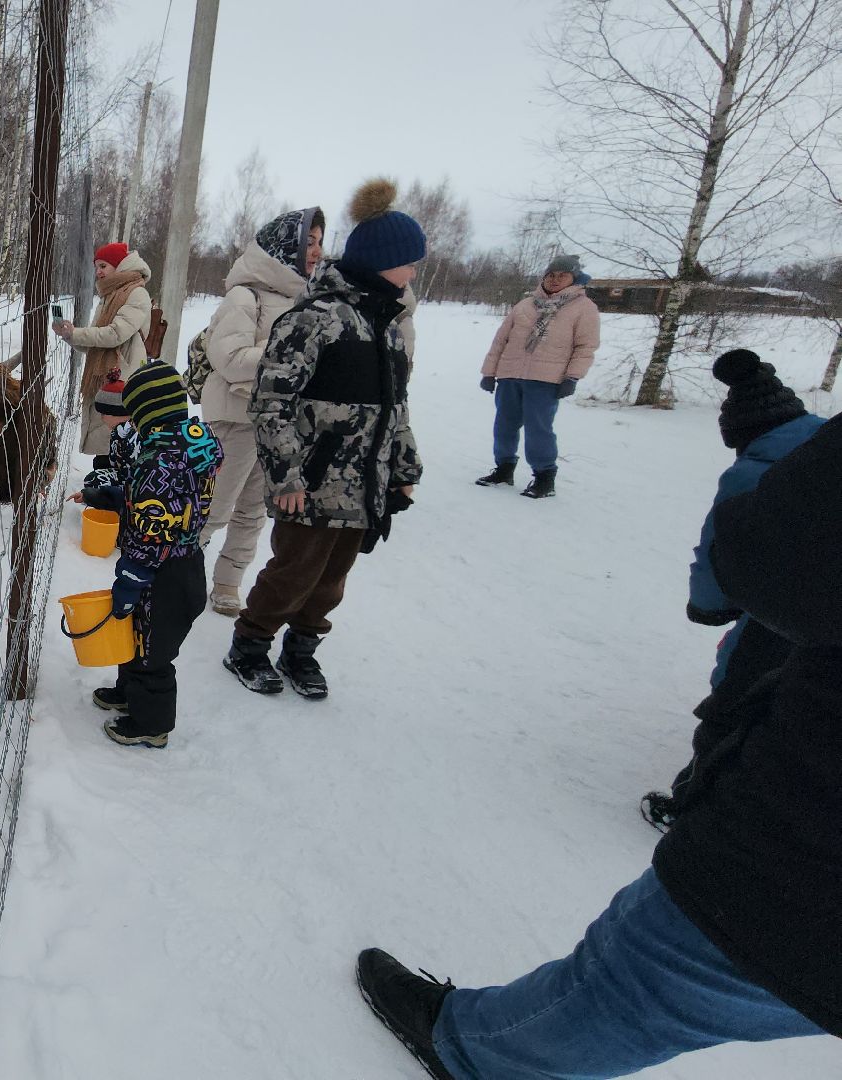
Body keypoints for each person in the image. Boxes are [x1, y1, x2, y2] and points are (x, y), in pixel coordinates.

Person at [357, 412, 842, 1080]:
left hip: (801, 868)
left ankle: (470, 1045)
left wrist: (785, 449)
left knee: (642, 982)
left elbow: (765, 558)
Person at [223, 179, 423, 700]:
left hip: (363, 485)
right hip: (311, 482)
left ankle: (301, 650)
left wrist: (403, 471)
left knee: (332, 580)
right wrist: (286, 473)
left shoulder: (387, 327)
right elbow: (270, 401)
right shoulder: (316, 319)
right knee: (293, 571)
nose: (414, 273)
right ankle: (249, 644)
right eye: (409, 262)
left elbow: (396, 409)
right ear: (382, 261)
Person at [640, 349, 824, 830]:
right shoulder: (825, 440)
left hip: (779, 612)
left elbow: (719, 550)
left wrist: (708, 606)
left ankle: (692, 803)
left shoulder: (756, 472)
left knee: (734, 700)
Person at [189, 206, 325, 616]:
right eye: (310, 242)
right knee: (212, 509)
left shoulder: (306, 299)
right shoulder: (244, 295)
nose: (317, 251)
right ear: (287, 247)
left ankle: (228, 583)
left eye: (320, 242)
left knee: (251, 513)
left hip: (277, 427)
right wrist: (290, 354)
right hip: (234, 420)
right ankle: (174, 572)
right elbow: (229, 358)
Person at [84, 361, 220, 749]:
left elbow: (150, 537)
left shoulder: (156, 462)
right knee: (137, 636)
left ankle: (150, 724)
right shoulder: (197, 440)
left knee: (152, 652)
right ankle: (128, 692)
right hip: (186, 561)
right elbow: (179, 498)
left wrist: (128, 582)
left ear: (146, 412)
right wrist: (120, 498)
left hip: (161, 574)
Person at [475, 255, 600, 499]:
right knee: (504, 425)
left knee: (538, 429)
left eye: (562, 275)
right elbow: (501, 340)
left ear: (574, 278)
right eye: (551, 275)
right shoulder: (525, 305)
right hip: (510, 375)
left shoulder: (583, 308)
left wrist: (572, 377)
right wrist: (489, 373)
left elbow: (585, 346)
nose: (555, 280)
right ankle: (503, 469)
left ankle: (544, 477)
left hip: (546, 380)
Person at [53, 242, 154, 456]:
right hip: (106, 376)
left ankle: (110, 485)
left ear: (120, 265)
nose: (98, 272)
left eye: (103, 266)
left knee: (115, 438)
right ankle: (103, 481)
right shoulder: (109, 296)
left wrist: (78, 333)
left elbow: (115, 334)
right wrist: (69, 335)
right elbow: (95, 342)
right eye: (96, 267)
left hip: (122, 377)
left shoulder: (137, 294)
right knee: (105, 440)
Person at [70, 377, 137, 499]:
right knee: (96, 475)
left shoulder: (132, 438)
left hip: (137, 489)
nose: (101, 418)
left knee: (96, 480)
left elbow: (130, 475)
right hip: (125, 480)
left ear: (118, 413)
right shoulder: (118, 432)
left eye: (104, 413)